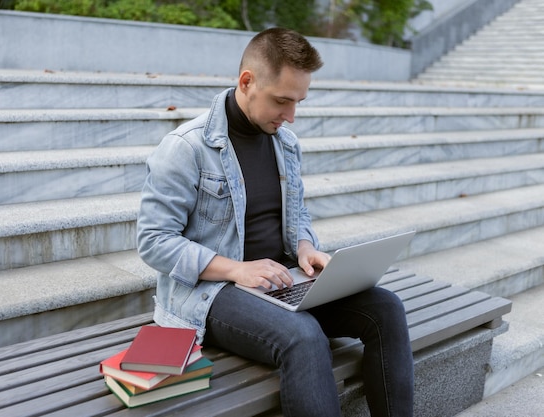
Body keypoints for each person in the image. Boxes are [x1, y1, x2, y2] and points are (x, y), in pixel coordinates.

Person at [137, 28, 414, 416]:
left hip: (283, 282)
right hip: (211, 292)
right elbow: (153, 240)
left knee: (386, 308)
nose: (291, 116)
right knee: (303, 337)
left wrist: (305, 248)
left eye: (298, 102)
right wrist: (238, 270)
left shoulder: (285, 142)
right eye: (282, 101)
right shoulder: (186, 148)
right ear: (247, 81)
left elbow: (297, 212)